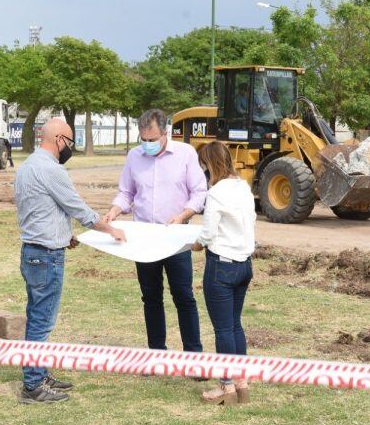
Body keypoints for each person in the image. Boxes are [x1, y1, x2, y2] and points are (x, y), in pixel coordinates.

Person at [15, 117, 126, 404]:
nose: (70, 148)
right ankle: (33, 385)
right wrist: (109, 228)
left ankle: (38, 373)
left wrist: (66, 235)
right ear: (59, 140)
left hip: (32, 251)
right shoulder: (51, 170)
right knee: (42, 321)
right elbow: (76, 207)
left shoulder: (26, 167)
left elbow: (42, 211)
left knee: (36, 316)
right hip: (46, 256)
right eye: (70, 142)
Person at [104, 109, 207, 355]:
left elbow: (199, 192)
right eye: (144, 140)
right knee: (150, 297)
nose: (147, 144)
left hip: (175, 238)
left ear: (165, 133)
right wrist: (115, 210)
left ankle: (194, 356)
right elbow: (127, 192)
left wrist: (183, 216)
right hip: (144, 239)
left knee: (183, 296)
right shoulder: (134, 156)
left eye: (152, 139)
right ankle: (155, 353)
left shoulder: (185, 154)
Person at [191, 141, 256, 405]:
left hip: (221, 266)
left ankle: (226, 386)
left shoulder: (216, 193)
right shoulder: (244, 187)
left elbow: (207, 233)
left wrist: (196, 243)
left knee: (223, 329)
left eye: (203, 167)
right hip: (244, 264)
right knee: (235, 324)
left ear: (209, 165)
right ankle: (241, 381)